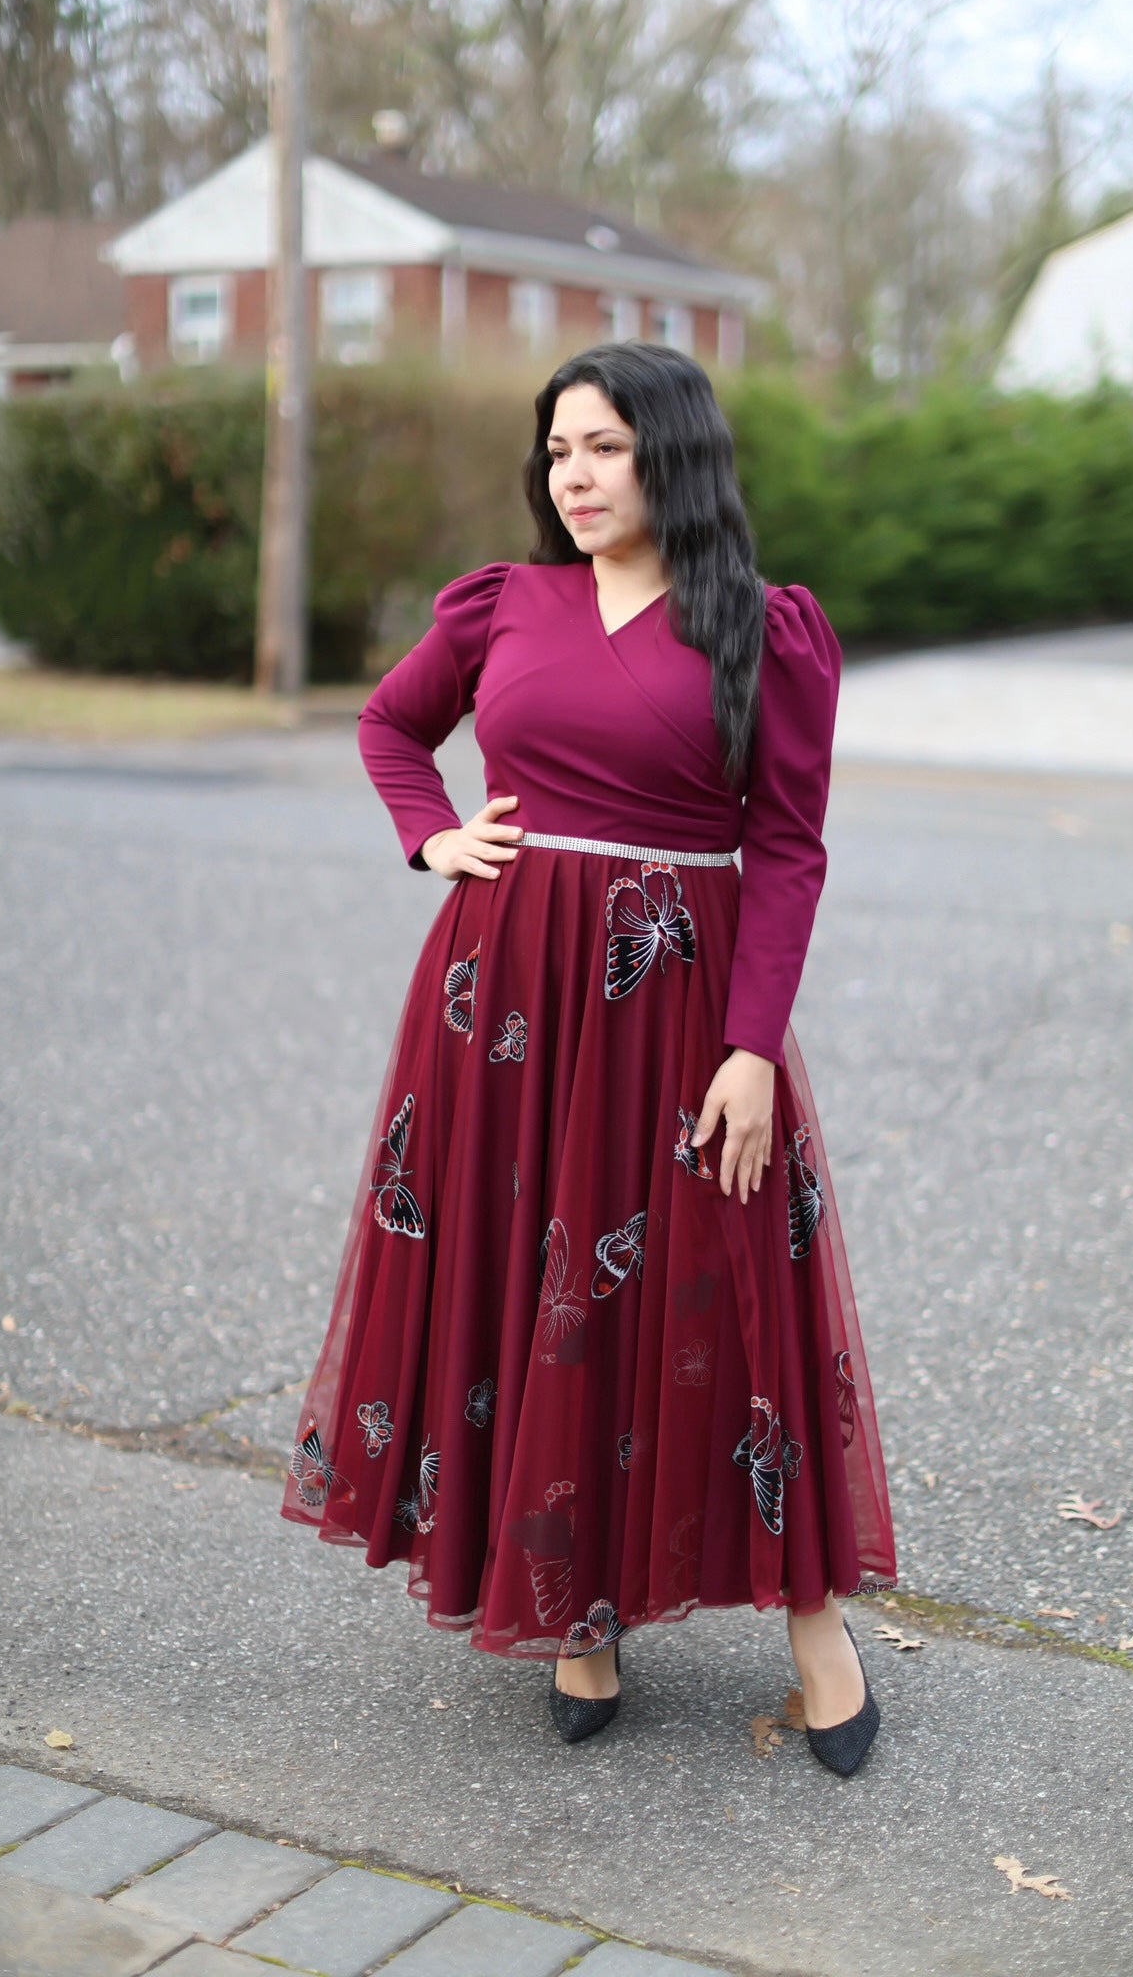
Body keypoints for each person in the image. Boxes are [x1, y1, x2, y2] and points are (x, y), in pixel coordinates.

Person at [281, 341, 897, 1776]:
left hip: (681, 1006)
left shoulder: (764, 625)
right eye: (557, 447)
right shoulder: (505, 605)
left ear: (670, 454)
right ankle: (577, 1610)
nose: (572, 472)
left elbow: (787, 847)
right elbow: (387, 726)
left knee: (739, 1286)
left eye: (604, 446)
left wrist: (750, 1048)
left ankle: (817, 1628)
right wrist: (430, 835)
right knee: (537, 1285)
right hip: (502, 1005)